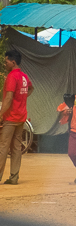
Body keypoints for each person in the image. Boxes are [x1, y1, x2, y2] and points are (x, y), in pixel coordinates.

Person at [0, 49, 32, 185]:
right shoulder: (24, 76)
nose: (5, 64)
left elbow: (8, 98)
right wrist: (21, 99)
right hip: (21, 117)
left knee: (3, 147)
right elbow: (31, 88)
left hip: (10, 117)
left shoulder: (12, 77)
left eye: (6, 61)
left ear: (13, 62)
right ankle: (14, 177)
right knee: (16, 148)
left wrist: (0, 114)